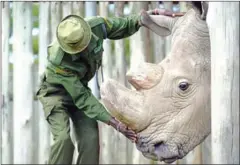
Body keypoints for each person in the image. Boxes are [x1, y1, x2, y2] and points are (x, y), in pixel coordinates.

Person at [36, 7, 183, 164]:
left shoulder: (95, 26)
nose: (84, 48)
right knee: (63, 140)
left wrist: (148, 17)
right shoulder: (59, 60)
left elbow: (122, 25)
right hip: (55, 95)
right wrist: (115, 123)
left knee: (90, 139)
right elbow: (83, 98)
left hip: (80, 89)